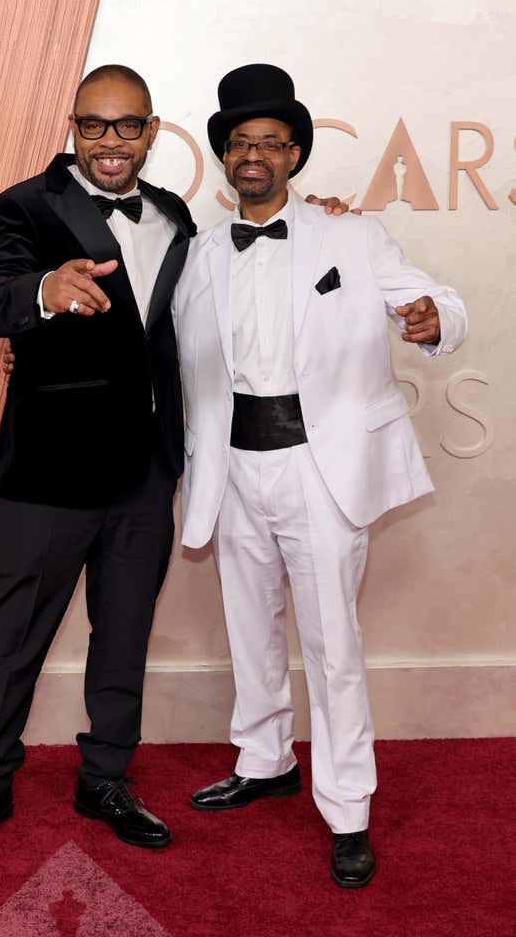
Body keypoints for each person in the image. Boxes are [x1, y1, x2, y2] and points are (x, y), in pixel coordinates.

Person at [0, 64, 347, 861]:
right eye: (94, 125)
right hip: (46, 471)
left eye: (127, 126)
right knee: (12, 631)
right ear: (73, 127)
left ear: (151, 133)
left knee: (123, 634)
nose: (109, 142)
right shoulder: (21, 205)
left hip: (146, 474)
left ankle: (106, 778)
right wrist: (44, 290)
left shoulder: (176, 216)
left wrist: (323, 219)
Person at [173, 64, 467, 887]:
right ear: (224, 159)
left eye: (270, 142)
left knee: (333, 644)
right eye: (240, 143)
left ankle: (347, 808)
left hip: (320, 467)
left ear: (295, 154)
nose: (254, 155)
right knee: (249, 628)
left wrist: (434, 316)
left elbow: (434, 296)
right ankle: (263, 758)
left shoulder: (351, 235)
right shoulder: (198, 254)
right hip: (231, 468)